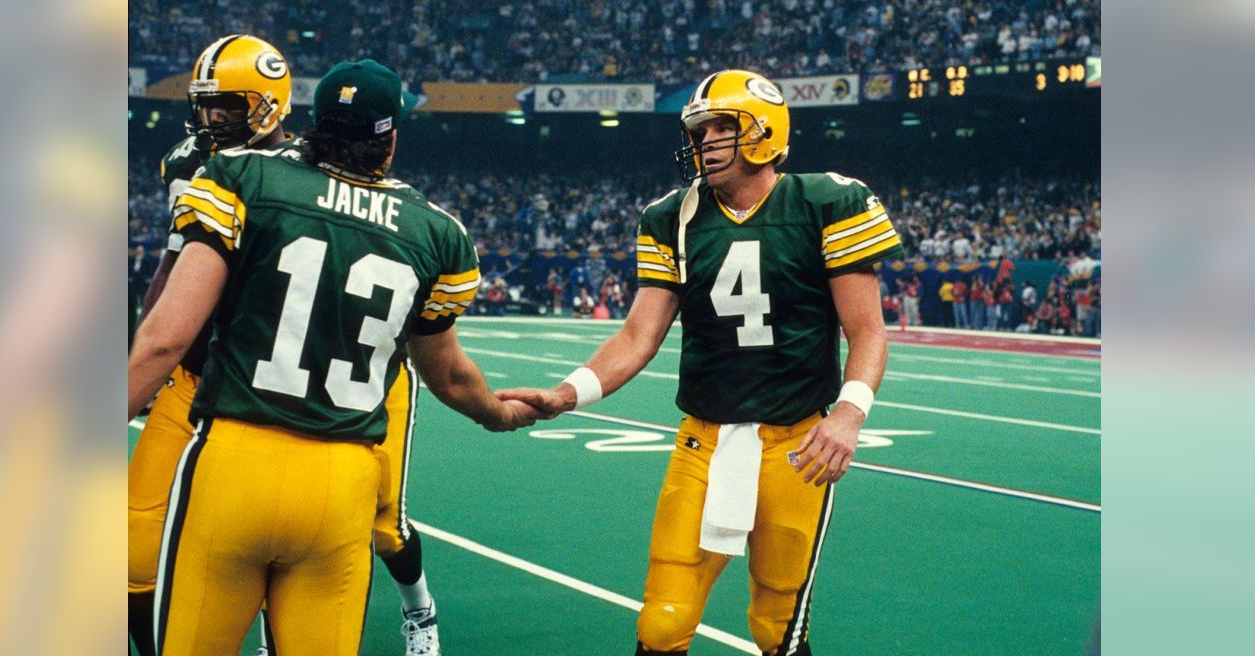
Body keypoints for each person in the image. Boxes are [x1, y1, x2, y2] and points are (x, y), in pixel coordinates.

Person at [127, 59, 548, 656]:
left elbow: (166, 338)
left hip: (233, 462)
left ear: (311, 122)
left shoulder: (239, 176)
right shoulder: (437, 232)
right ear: (392, 137)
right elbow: (449, 375)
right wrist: (499, 414)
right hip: (342, 481)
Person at [499, 69, 902, 655]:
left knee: (778, 624)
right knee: (662, 620)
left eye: (721, 127)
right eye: (699, 129)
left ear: (764, 132)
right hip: (704, 441)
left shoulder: (829, 202)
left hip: (796, 442)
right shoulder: (672, 217)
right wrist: (567, 394)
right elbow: (639, 334)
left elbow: (866, 331)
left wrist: (848, 414)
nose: (705, 140)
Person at [127, 33, 295, 655]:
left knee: (279, 550)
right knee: (133, 544)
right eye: (208, 104)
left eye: (228, 104)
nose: (214, 117)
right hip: (191, 376)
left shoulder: (305, 173)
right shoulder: (187, 162)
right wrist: (145, 358)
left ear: (269, 101)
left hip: (262, 386)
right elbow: (173, 269)